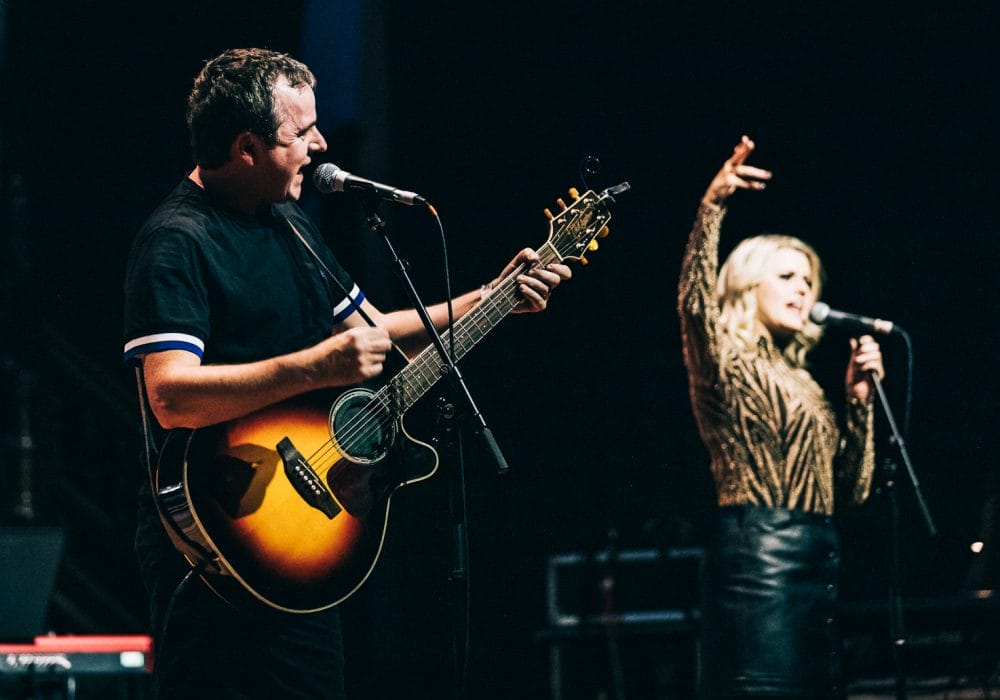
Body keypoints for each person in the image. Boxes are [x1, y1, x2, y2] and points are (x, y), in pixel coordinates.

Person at [123, 48, 571, 699]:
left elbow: (374, 335)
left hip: (304, 542)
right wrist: (315, 367)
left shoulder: (290, 223)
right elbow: (169, 396)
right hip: (220, 536)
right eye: (301, 132)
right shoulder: (177, 240)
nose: (321, 144)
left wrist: (493, 295)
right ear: (247, 147)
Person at [677, 136, 885, 699]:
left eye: (808, 280)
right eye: (788, 276)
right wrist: (712, 206)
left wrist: (859, 403)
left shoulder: (807, 383)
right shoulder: (726, 358)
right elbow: (695, 304)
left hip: (819, 568)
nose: (803, 289)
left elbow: (850, 491)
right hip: (758, 571)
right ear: (749, 282)